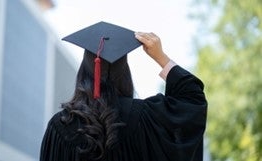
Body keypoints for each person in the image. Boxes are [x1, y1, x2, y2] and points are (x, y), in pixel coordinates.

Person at [40, 21, 207, 161]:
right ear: (124, 72)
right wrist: (160, 57)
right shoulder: (147, 117)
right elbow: (192, 98)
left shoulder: (60, 127)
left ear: (85, 72)